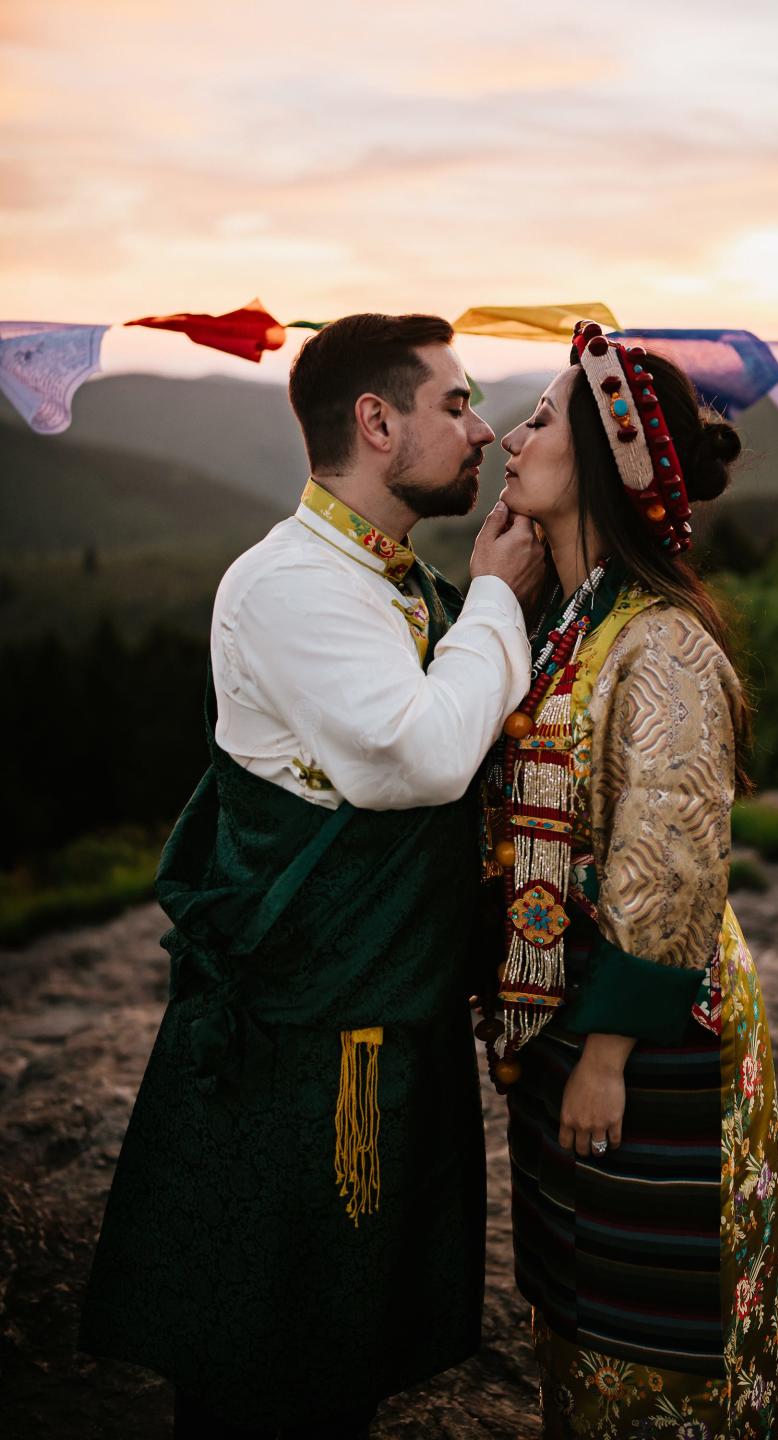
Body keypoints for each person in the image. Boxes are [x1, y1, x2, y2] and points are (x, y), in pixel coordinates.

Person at [78, 312, 545, 1439]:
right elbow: (422, 755)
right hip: (304, 1060)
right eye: (454, 403)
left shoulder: (383, 580)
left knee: (339, 1354)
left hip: (379, 1023)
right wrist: (496, 596)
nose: (481, 429)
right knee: (270, 1365)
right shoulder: (288, 584)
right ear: (376, 423)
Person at [477, 324, 778, 1438]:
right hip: (565, 1029)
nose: (515, 436)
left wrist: (605, 1051)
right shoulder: (563, 627)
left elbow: (673, 850)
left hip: (647, 1040)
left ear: (602, 459)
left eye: (543, 419)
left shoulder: (662, 645)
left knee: (654, 1343)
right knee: (574, 1317)